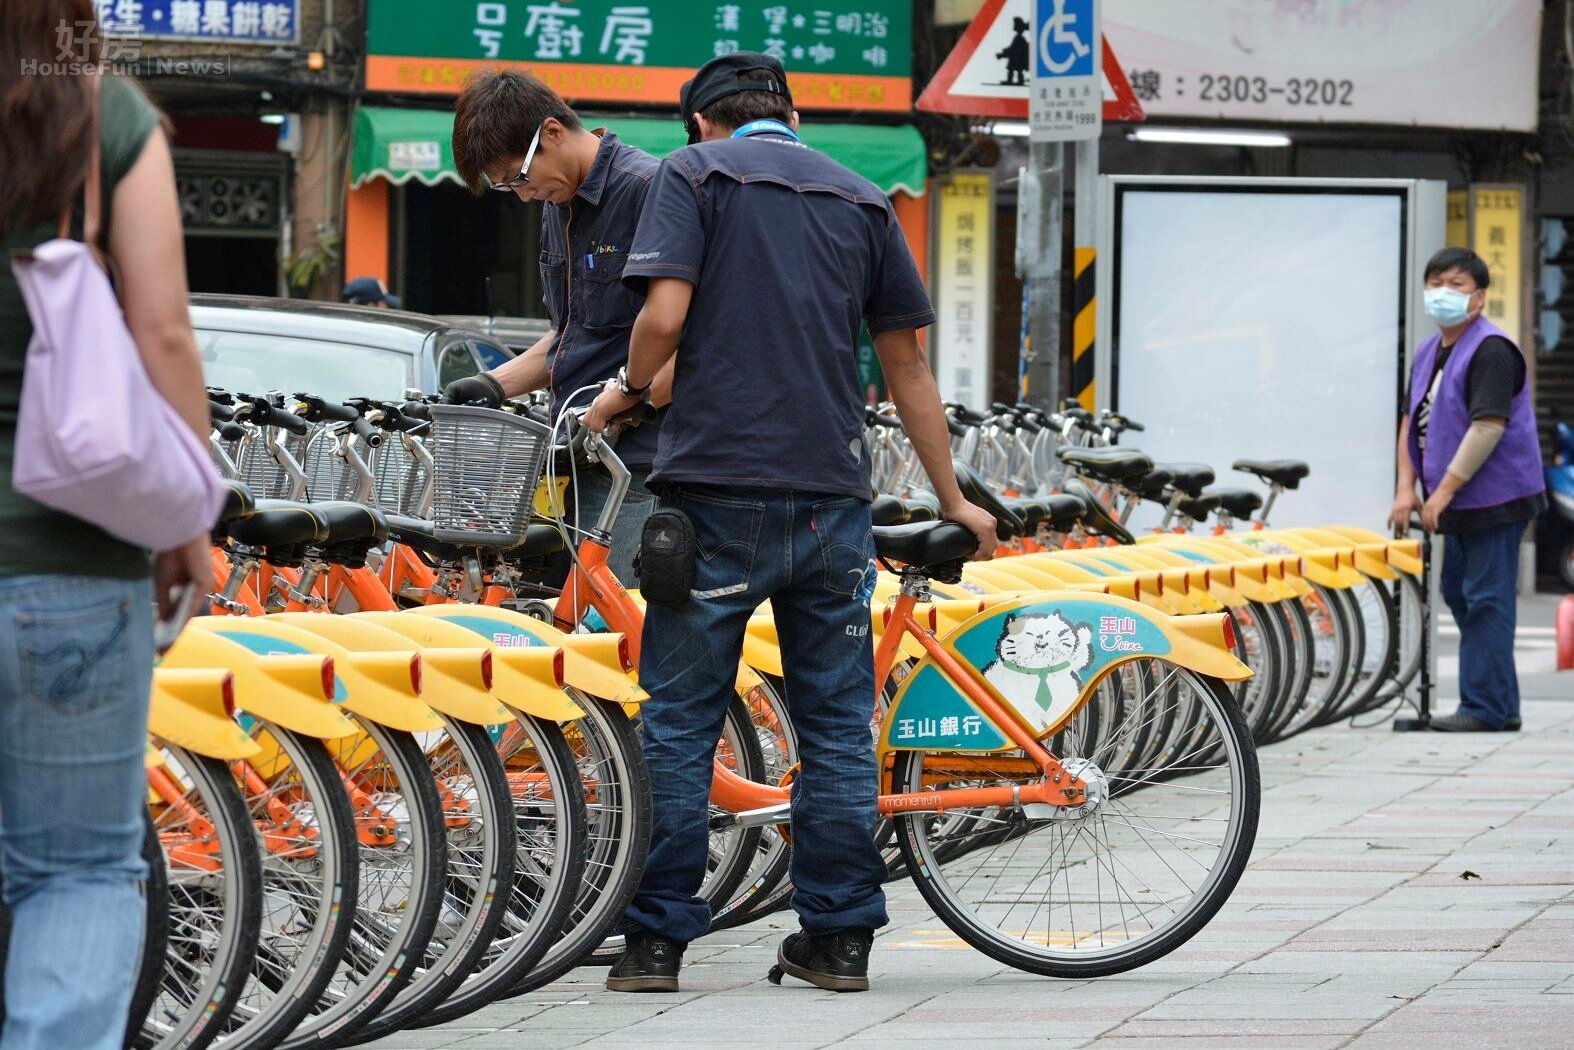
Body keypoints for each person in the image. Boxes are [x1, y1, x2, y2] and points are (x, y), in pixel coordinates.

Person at [585, 53, 998, 994]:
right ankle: (841, 939)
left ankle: (655, 947)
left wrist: (627, 390)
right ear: (792, 116)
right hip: (831, 502)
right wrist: (952, 498)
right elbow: (908, 368)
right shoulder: (863, 198)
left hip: (714, 495)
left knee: (681, 724)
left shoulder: (693, 175)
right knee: (838, 726)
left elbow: (664, 315)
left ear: (702, 121)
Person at [0, 4, 215, 1047]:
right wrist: (189, 519)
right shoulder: (103, 120)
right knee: (76, 869)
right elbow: (162, 330)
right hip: (73, 562)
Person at [445, 70, 666, 583]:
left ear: (552, 131)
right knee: (576, 615)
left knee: (617, 621)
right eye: (508, 187)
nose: (523, 196)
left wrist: (627, 401)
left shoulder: (649, 191)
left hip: (641, 467)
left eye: (518, 177)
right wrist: (491, 384)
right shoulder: (557, 203)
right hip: (581, 454)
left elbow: (691, 337)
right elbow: (573, 336)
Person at [1390, 247, 1546, 732]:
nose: (1443, 292)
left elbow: (1488, 426)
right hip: (1455, 500)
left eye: (1456, 284)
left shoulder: (1492, 349)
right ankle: (1501, 704)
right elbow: (1410, 419)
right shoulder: (1428, 350)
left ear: (1479, 297)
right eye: (1436, 283)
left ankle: (1484, 708)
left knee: (1485, 599)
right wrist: (1405, 487)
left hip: (1495, 498)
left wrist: (1441, 494)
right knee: (1460, 592)